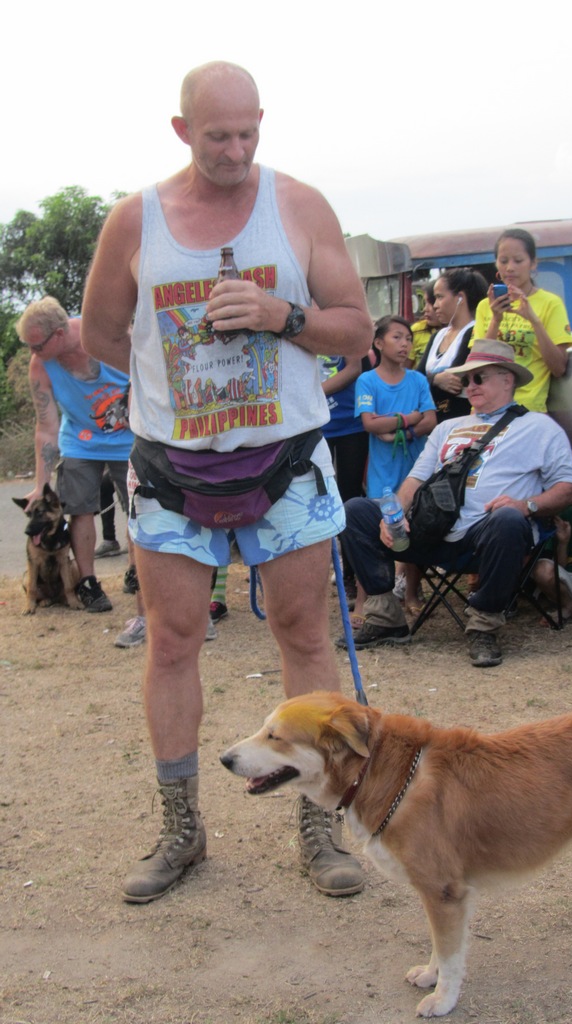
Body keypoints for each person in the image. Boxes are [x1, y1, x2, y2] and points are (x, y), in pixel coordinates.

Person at [81, 61, 373, 903]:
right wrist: (174, 383)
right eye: (218, 136)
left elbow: (354, 329)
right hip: (171, 467)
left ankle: (321, 823)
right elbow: (102, 334)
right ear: (182, 131)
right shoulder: (135, 220)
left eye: (249, 133)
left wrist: (284, 316)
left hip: (286, 460)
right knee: (172, 640)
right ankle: (182, 829)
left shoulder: (300, 207)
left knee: (303, 634)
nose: (237, 151)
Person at [339, 341, 572, 668]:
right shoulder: (447, 427)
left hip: (487, 538)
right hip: (430, 530)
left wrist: (527, 506)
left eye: (479, 378)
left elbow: (568, 489)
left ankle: (483, 626)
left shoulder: (539, 428)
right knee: (355, 511)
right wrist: (394, 515)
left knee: (508, 519)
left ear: (507, 380)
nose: (470, 386)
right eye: (466, 380)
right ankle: (385, 618)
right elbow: (415, 480)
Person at [16, 297, 133, 612]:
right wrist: (41, 485)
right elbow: (46, 427)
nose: (32, 352)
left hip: (130, 437)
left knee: (139, 508)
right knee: (79, 509)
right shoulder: (41, 365)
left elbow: (149, 375)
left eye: (36, 345)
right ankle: (87, 583)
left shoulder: (107, 333)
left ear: (58, 334)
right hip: (80, 441)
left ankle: (136, 571)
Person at [472, 227, 572, 411]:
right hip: (484, 409)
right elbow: (476, 366)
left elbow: (559, 368)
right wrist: (496, 320)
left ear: (533, 263)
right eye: (503, 261)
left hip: (526, 410)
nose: (510, 268)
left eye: (518, 261)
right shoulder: (485, 306)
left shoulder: (550, 303)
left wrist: (535, 321)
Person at [356, 316, 437, 498]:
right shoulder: (367, 381)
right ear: (379, 343)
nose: (404, 344)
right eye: (397, 337)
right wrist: (410, 419)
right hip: (382, 476)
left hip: (418, 474)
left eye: (409, 339)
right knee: (382, 514)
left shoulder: (418, 380)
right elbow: (370, 424)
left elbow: (430, 421)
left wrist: (396, 435)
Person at [318, 352, 369, 607]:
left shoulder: (342, 330)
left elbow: (354, 368)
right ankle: (315, 576)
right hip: (315, 426)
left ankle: (350, 573)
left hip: (350, 424)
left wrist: (312, 392)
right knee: (316, 501)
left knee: (349, 499)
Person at [417, 268, 488, 421]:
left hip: (459, 420)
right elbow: (415, 379)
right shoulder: (438, 336)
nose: (435, 305)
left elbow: (455, 382)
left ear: (460, 298)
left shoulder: (474, 332)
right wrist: (435, 380)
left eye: (439, 297)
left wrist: (427, 380)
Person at [408, 281, 441, 368]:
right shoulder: (416, 330)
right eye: (425, 303)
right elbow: (404, 369)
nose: (425, 309)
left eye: (430, 303)